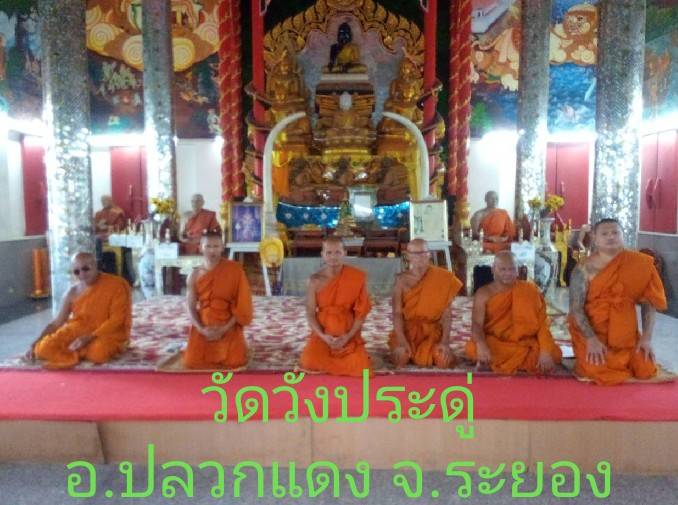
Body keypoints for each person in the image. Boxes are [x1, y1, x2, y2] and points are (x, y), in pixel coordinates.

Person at [568, 218, 667, 385]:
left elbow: (649, 303)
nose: (610, 237)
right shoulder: (584, 269)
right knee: (595, 370)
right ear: (595, 238)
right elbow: (576, 309)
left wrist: (646, 338)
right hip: (593, 331)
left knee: (645, 368)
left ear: (623, 235)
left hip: (626, 334)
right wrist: (591, 340)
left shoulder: (639, 263)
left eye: (615, 232)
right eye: (604, 234)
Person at [27, 252, 131, 369]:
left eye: (86, 269)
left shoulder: (116, 285)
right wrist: (36, 342)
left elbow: (117, 320)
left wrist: (89, 337)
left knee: (97, 353)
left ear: (95, 265)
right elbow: (57, 323)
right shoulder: (72, 292)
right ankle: (79, 352)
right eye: (77, 271)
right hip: (78, 331)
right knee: (42, 349)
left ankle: (73, 352)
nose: (82, 274)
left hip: (104, 332)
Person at [465, 251, 562, 375]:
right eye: (503, 269)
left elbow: (542, 324)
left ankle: (494, 363)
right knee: (472, 347)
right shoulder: (483, 293)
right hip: (497, 342)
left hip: (526, 342)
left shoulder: (529, 290)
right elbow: (477, 324)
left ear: (518, 271)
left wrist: (545, 351)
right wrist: (481, 344)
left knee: (554, 353)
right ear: (493, 269)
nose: (507, 274)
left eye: (511, 269)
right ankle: (511, 361)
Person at [299, 236, 372, 376]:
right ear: (322, 255)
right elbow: (310, 313)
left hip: (348, 331)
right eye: (329, 253)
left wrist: (348, 336)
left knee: (361, 366)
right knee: (309, 361)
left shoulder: (357, 277)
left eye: (338, 252)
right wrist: (323, 336)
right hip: (324, 331)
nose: (333, 257)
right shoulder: (315, 280)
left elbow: (361, 313)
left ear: (345, 253)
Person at [183, 232, 253, 369]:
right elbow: (190, 306)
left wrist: (224, 329)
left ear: (222, 248)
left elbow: (241, 306)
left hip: (228, 324)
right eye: (208, 246)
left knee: (235, 362)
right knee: (191, 362)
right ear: (200, 248)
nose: (212, 251)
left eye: (216, 246)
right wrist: (201, 329)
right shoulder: (194, 275)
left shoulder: (235, 270)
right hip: (204, 325)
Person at [389, 239, 463, 368]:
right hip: (408, 331)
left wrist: (444, 342)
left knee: (443, 360)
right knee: (401, 358)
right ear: (408, 256)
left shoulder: (443, 278)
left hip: (432, 332)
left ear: (429, 254)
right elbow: (397, 313)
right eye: (415, 253)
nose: (419, 257)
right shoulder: (401, 280)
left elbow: (446, 315)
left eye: (423, 253)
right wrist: (401, 341)